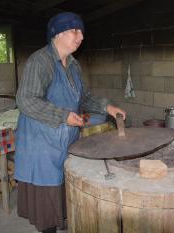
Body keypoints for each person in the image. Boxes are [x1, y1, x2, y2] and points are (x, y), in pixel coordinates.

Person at [14, 12, 125, 233]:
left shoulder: (73, 65)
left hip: (65, 139)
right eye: (75, 31)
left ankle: (61, 221)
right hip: (42, 141)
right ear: (57, 33)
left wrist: (108, 107)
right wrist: (64, 115)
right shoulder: (41, 61)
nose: (81, 36)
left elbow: (83, 97)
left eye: (82, 32)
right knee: (47, 194)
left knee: (64, 186)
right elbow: (26, 100)